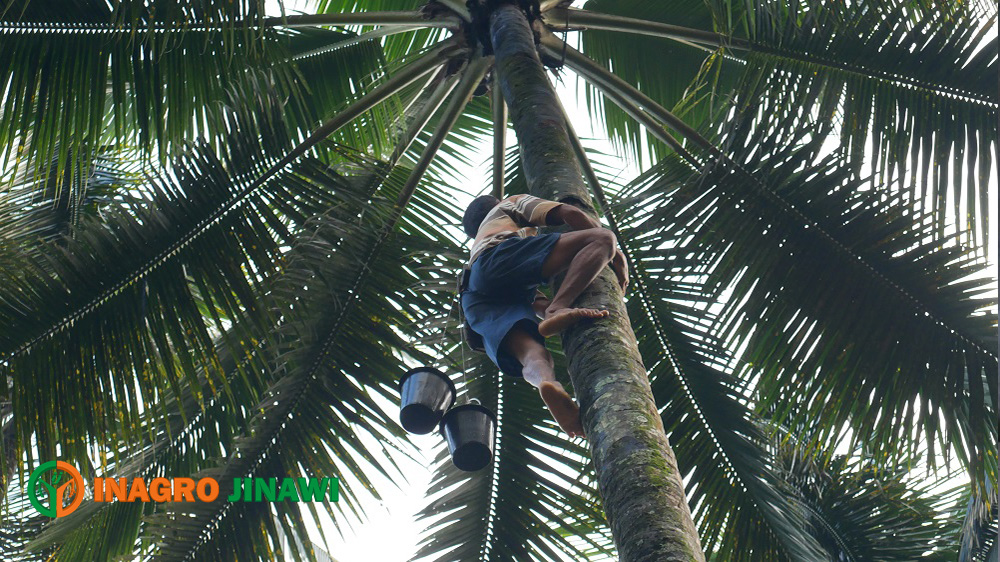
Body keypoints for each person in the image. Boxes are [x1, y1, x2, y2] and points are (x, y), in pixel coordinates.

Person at [459, 193, 628, 437]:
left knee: (532, 355)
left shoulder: (478, 243)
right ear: (496, 203)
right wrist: (618, 256)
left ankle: (546, 383)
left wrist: (543, 306)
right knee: (603, 238)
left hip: (476, 296)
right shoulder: (508, 204)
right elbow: (571, 214)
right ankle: (558, 308)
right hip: (498, 259)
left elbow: (528, 295)